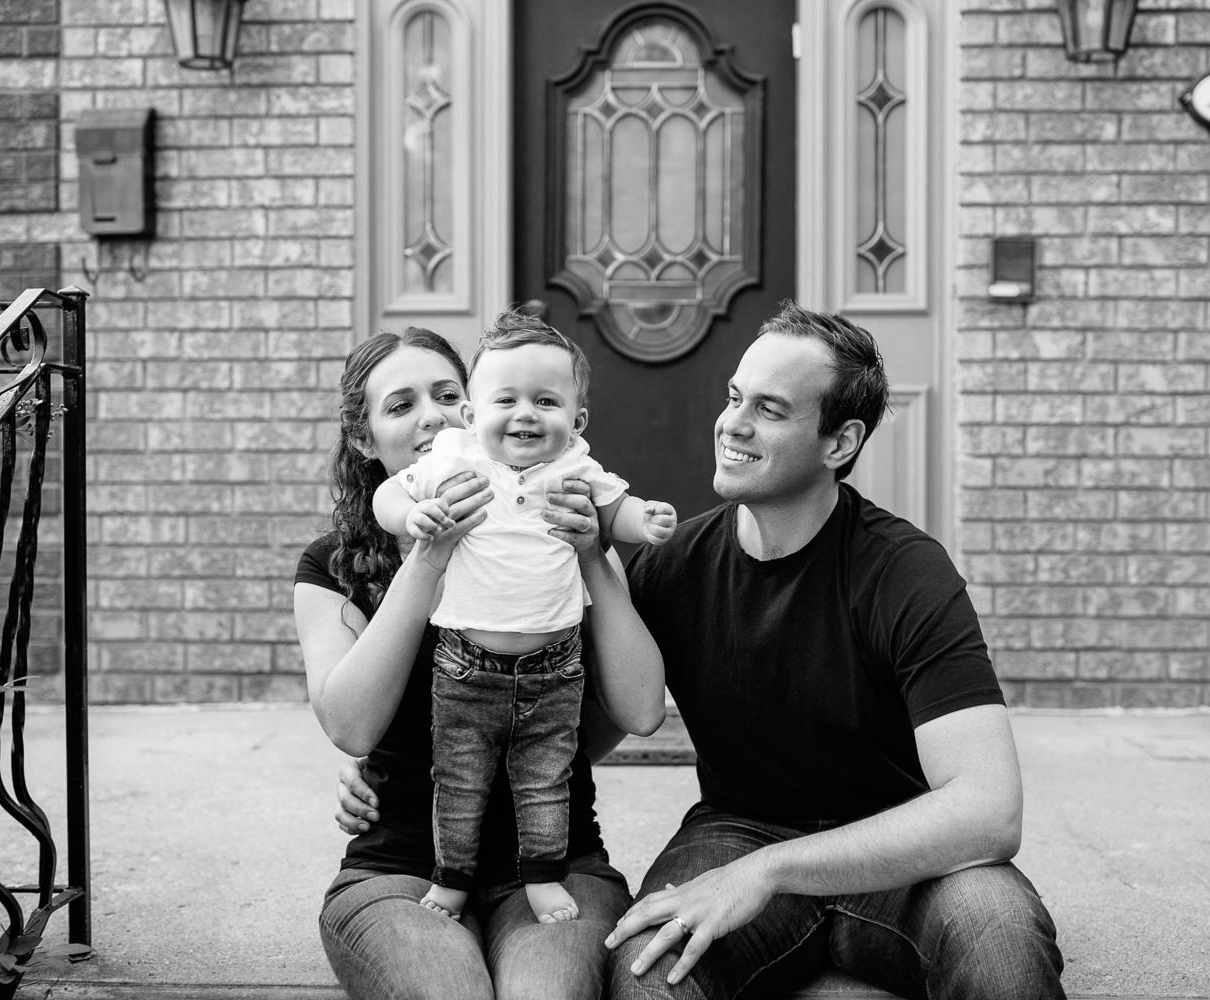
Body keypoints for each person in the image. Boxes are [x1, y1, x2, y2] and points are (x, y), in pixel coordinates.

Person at [337, 302, 1066, 999]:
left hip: (901, 850)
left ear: (840, 443)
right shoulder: (675, 565)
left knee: (1000, 944)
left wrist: (773, 871)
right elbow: (567, 726)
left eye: (769, 410)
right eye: (733, 397)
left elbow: (988, 811)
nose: (732, 425)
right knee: (645, 972)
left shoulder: (905, 572)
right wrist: (396, 772)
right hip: (733, 835)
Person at [295, 326, 665, 1000]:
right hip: (399, 870)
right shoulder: (330, 566)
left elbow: (638, 711)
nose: (432, 415)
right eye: (401, 406)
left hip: (556, 865)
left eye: (446, 393)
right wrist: (430, 552)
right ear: (364, 438)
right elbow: (350, 726)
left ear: (473, 411)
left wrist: (589, 554)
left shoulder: (561, 526)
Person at [373, 311, 677, 925]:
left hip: (553, 669)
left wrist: (643, 522)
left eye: (546, 400)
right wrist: (414, 518)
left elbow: (618, 509)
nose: (525, 414)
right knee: (459, 780)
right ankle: (452, 878)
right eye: (505, 399)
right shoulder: (455, 462)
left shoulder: (577, 469)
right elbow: (389, 495)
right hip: (464, 666)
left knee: (545, 779)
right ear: (473, 413)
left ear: (577, 420)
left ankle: (541, 875)